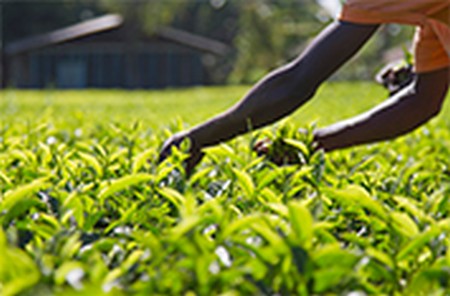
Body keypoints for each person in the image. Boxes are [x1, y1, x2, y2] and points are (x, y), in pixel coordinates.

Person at [159, 1, 450, 174]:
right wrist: (311, 144)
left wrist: (194, 141)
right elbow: (421, 102)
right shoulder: (432, 21)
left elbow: (295, 83)